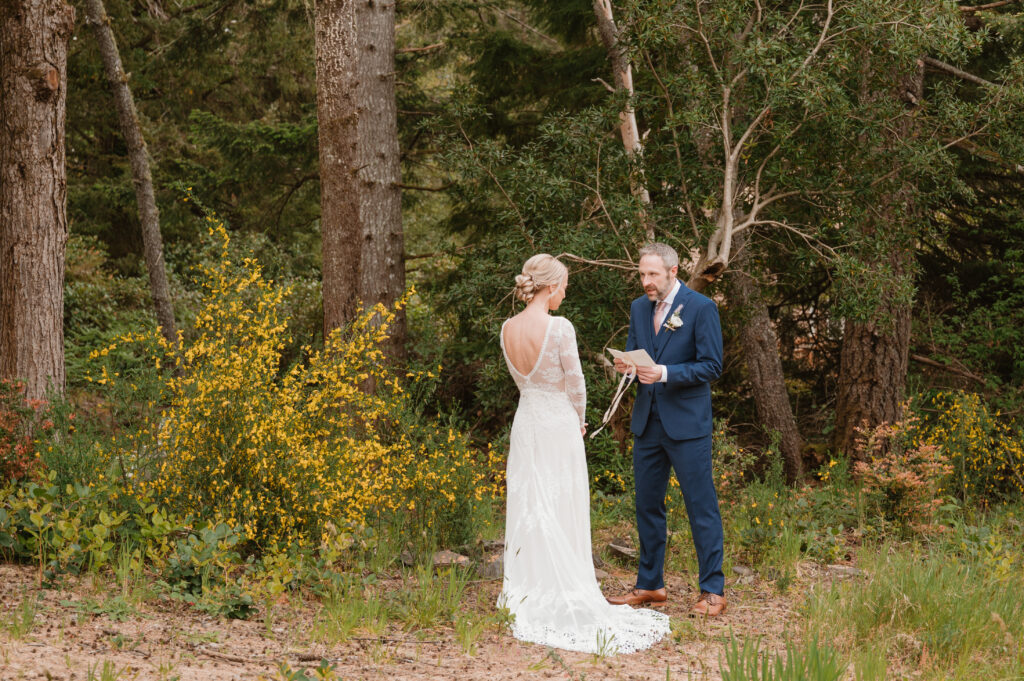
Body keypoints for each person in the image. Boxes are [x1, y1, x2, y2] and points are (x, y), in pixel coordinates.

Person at [498, 254, 670, 654]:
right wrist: (580, 419)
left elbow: (522, 382)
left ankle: (527, 588)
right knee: (562, 502)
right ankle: (564, 588)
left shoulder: (507, 328)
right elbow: (575, 382)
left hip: (526, 422)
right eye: (564, 286)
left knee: (529, 501)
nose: (566, 292)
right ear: (551, 287)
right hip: (558, 423)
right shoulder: (559, 327)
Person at [606, 243, 727, 616]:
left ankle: (713, 590)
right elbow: (636, 352)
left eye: (653, 274)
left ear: (673, 271)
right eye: (642, 274)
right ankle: (650, 585)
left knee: (700, 506)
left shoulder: (701, 308)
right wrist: (627, 366)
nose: (646, 281)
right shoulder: (638, 308)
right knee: (647, 505)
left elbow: (712, 365)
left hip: (687, 425)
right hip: (647, 423)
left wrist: (665, 373)